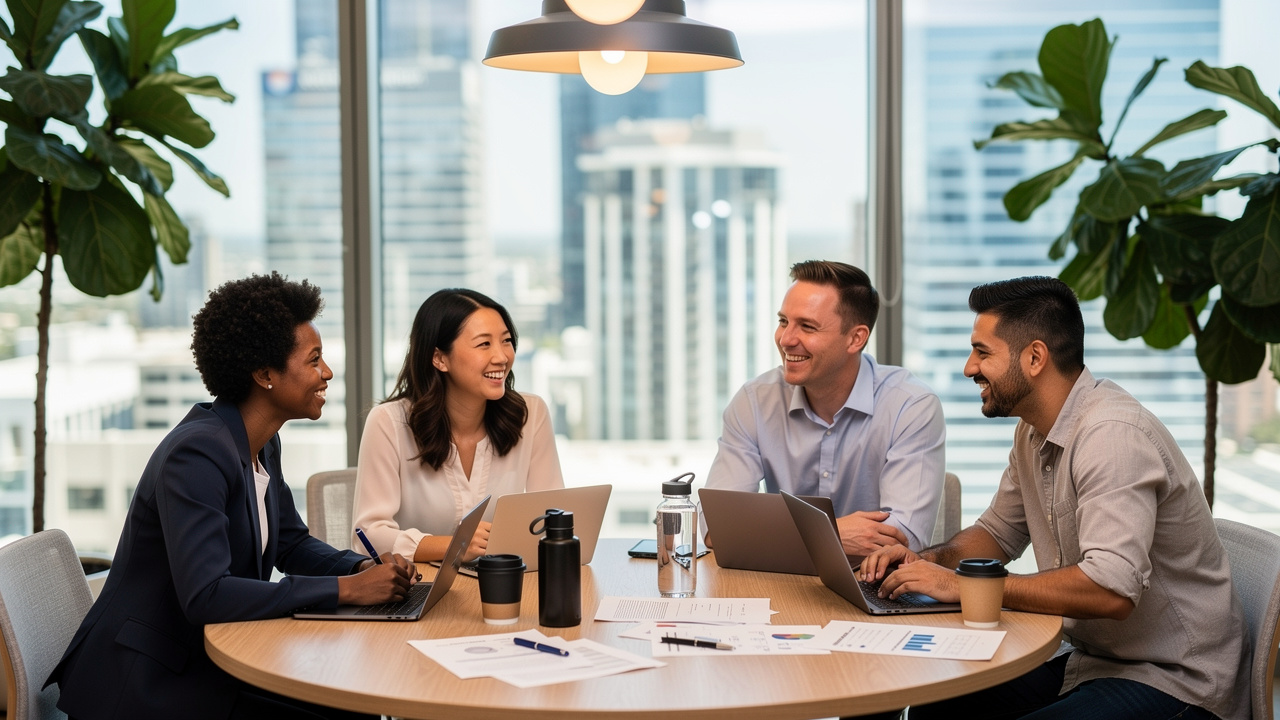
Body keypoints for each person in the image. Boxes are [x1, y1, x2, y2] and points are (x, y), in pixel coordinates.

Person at [860, 276, 1250, 720]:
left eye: (983, 352)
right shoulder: (1032, 431)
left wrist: (963, 586)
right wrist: (926, 561)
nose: (970, 368)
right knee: (937, 706)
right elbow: (996, 533)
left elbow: (1111, 590)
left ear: (1034, 357)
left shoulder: (1111, 436)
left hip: (1176, 677)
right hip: (1095, 661)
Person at [48, 273, 417, 720]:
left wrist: (362, 568)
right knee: (341, 710)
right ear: (264, 374)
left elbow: (290, 543)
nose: (327, 373)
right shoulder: (197, 453)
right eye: (314, 359)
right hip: (146, 682)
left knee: (348, 702)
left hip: (207, 659)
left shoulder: (260, 442)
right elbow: (206, 595)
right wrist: (347, 590)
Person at [704, 260, 945, 554]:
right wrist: (834, 532)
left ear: (856, 338)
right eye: (783, 321)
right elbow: (717, 528)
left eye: (807, 326)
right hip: (781, 581)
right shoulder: (755, 401)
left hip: (873, 589)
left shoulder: (911, 406)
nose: (786, 339)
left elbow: (901, 541)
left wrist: (770, 532)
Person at [352, 288, 563, 563]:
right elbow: (368, 534)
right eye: (484, 344)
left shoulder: (530, 414)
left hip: (501, 582)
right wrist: (454, 545)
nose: (501, 357)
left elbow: (553, 515)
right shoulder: (389, 423)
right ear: (440, 358)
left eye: (506, 341)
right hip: (417, 590)